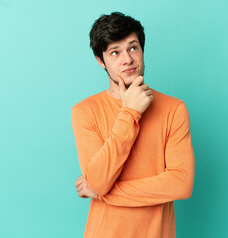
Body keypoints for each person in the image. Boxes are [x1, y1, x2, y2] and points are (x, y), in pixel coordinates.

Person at [71, 12, 195, 238]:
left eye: (133, 48)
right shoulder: (85, 111)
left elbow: (181, 184)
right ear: (101, 61)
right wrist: (131, 112)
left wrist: (104, 194)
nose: (127, 59)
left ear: (142, 50)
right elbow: (98, 180)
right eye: (115, 52)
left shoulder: (173, 109)